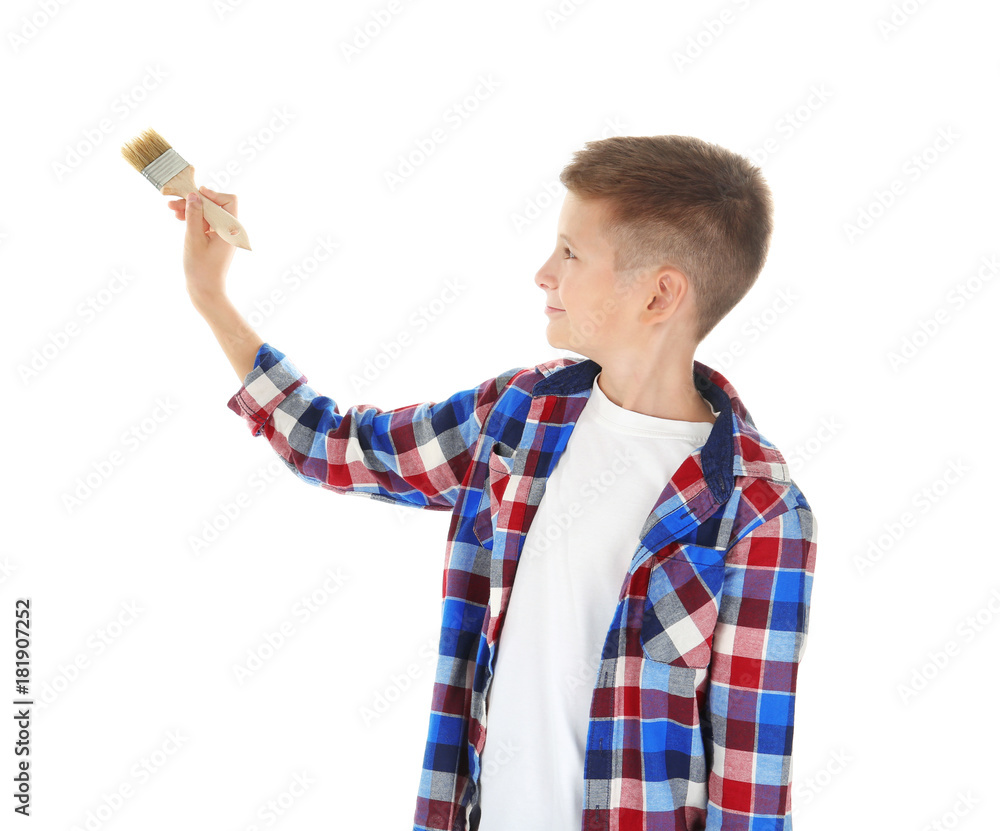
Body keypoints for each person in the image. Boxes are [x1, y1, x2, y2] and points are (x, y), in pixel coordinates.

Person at [170, 134, 818, 831]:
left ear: (660, 293)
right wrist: (211, 296)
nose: (544, 272)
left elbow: (751, 786)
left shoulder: (760, 511)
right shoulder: (517, 417)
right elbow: (334, 445)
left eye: (571, 252)